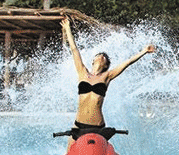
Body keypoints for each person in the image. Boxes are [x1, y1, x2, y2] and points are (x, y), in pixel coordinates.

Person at [60, 17, 155, 148]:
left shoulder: (107, 76)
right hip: (78, 125)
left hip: (97, 127)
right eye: (99, 55)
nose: (102, 56)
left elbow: (127, 63)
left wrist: (144, 51)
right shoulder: (82, 72)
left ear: (106, 65)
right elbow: (74, 50)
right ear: (93, 61)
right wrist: (67, 29)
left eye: (105, 58)